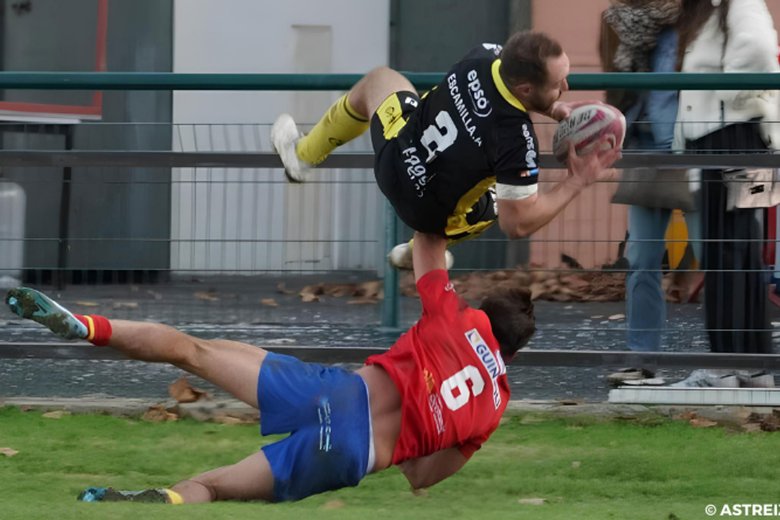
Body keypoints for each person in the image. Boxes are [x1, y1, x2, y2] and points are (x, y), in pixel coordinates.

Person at [4, 231, 536, 504]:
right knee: (211, 487)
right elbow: (421, 477)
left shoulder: (455, 316)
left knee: (194, 351)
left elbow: (427, 237)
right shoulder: (494, 409)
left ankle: (88, 327)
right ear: (510, 355)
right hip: (352, 456)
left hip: (332, 395)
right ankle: (167, 499)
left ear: (482, 313)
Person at [271, 30, 622, 269]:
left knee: (379, 80)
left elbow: (506, 95)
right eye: (558, 83)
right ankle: (418, 255)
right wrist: (578, 180)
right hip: (424, 210)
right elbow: (518, 225)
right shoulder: (516, 139)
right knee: (490, 203)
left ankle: (301, 157)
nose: (567, 86)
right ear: (527, 90)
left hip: (397, 151)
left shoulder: (484, 56)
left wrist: (554, 107)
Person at [672, 0, 778, 387]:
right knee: (740, 248)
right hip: (732, 137)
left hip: (729, 138)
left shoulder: (734, 3)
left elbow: (760, 50)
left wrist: (731, 99)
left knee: (727, 249)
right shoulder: (710, 8)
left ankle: (726, 366)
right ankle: (750, 365)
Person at [599, 0, 686, 386]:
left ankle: (733, 362)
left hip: (691, 145)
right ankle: (642, 361)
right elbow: (615, 92)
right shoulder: (619, 21)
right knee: (641, 258)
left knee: (719, 254)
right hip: (644, 145)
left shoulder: (695, 17)